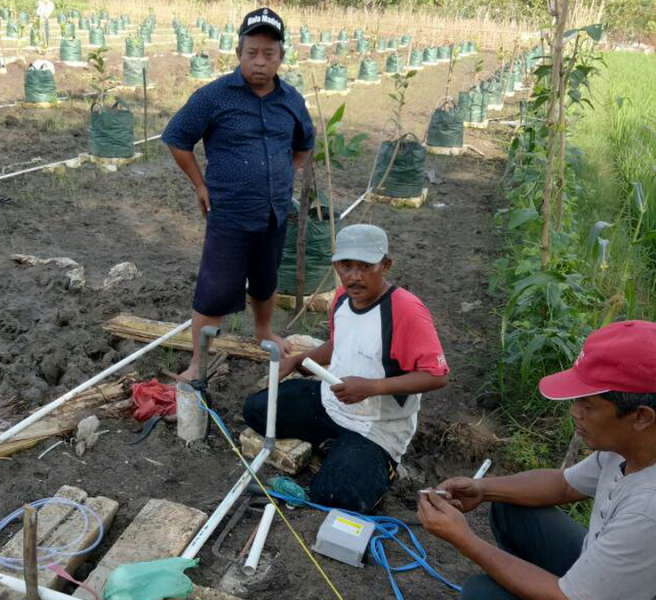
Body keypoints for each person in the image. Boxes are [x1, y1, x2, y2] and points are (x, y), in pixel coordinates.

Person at [417, 320, 656, 600]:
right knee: (510, 505)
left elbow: (567, 598)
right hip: (610, 575)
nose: (574, 412)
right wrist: (482, 489)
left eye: (588, 405)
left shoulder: (647, 510)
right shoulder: (631, 446)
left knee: (481, 594)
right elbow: (564, 485)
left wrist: (464, 539)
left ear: (641, 417)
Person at [244, 224, 449, 512]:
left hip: (376, 427)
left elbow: (436, 376)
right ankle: (335, 447)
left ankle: (372, 463)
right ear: (336, 265)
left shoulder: (405, 310)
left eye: (365, 266)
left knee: (338, 495)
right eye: (346, 266)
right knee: (256, 410)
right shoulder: (342, 298)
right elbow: (340, 342)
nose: (354, 276)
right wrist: (299, 361)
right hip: (332, 402)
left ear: (385, 265)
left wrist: (372, 387)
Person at [161, 7, 315, 381]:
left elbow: (304, 143)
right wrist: (200, 185)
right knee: (214, 291)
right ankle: (198, 363)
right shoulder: (214, 96)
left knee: (265, 279)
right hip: (229, 212)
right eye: (252, 52)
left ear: (281, 56)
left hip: (274, 212)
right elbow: (177, 138)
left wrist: (282, 175)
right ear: (238, 53)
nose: (260, 61)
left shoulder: (291, 100)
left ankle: (263, 331)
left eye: (269, 53)